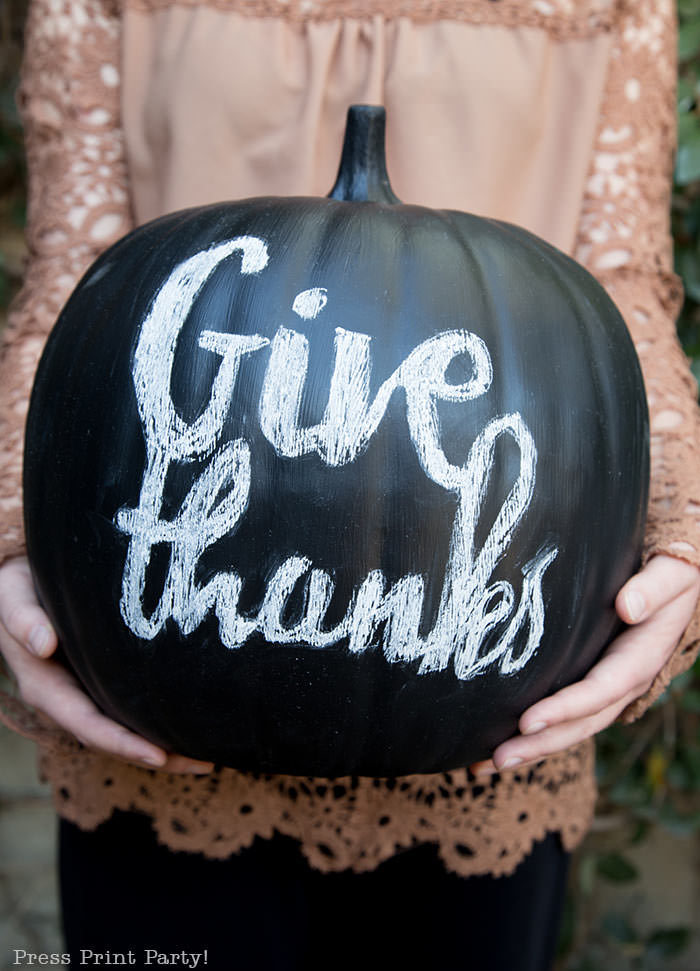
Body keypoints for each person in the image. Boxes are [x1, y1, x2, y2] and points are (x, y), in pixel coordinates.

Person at [1, 0, 700, 968]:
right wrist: (10, 526)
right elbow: (72, 282)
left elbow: (622, 284)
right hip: (156, 668)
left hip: (488, 657)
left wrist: (679, 521)